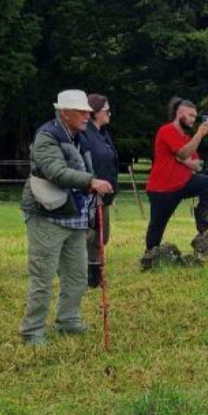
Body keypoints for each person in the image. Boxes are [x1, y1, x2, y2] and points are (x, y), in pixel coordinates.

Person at [19, 90, 114, 345]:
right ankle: (32, 331)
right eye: (81, 111)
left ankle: (68, 321)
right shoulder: (47, 137)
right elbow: (56, 172)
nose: (87, 115)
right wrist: (91, 181)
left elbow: (87, 167)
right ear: (65, 113)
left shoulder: (79, 136)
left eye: (87, 111)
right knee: (43, 276)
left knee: (77, 275)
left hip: (74, 214)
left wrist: (94, 186)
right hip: (46, 214)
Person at [143, 97, 208, 254]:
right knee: (157, 226)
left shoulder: (187, 138)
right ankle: (150, 255)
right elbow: (183, 152)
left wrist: (183, 160)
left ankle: (202, 221)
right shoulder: (166, 130)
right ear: (178, 113)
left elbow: (197, 164)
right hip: (163, 188)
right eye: (190, 115)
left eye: (195, 117)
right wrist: (199, 135)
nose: (193, 120)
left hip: (183, 183)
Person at [81, 93, 119, 288]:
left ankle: (96, 274)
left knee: (102, 237)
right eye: (106, 110)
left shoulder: (104, 134)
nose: (110, 113)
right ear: (95, 112)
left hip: (105, 196)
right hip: (88, 195)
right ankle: (88, 277)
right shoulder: (84, 134)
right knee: (88, 235)